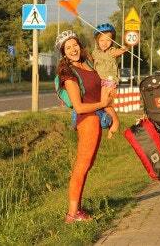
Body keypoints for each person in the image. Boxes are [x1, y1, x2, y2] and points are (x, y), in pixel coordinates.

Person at [54, 30, 117, 223]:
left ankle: (76, 210)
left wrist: (114, 117)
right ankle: (72, 214)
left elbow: (101, 95)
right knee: (81, 165)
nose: (73, 49)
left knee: (87, 165)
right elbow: (80, 106)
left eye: (75, 45)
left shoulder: (88, 64)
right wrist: (102, 106)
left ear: (80, 46)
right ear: (63, 53)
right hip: (87, 119)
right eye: (68, 47)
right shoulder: (69, 74)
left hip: (97, 117)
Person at [91, 23, 129, 100]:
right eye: (102, 40)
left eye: (108, 40)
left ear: (112, 41)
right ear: (97, 41)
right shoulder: (95, 53)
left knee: (106, 101)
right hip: (98, 80)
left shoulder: (111, 51)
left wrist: (123, 49)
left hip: (109, 80)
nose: (105, 43)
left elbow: (118, 52)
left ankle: (108, 110)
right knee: (98, 100)